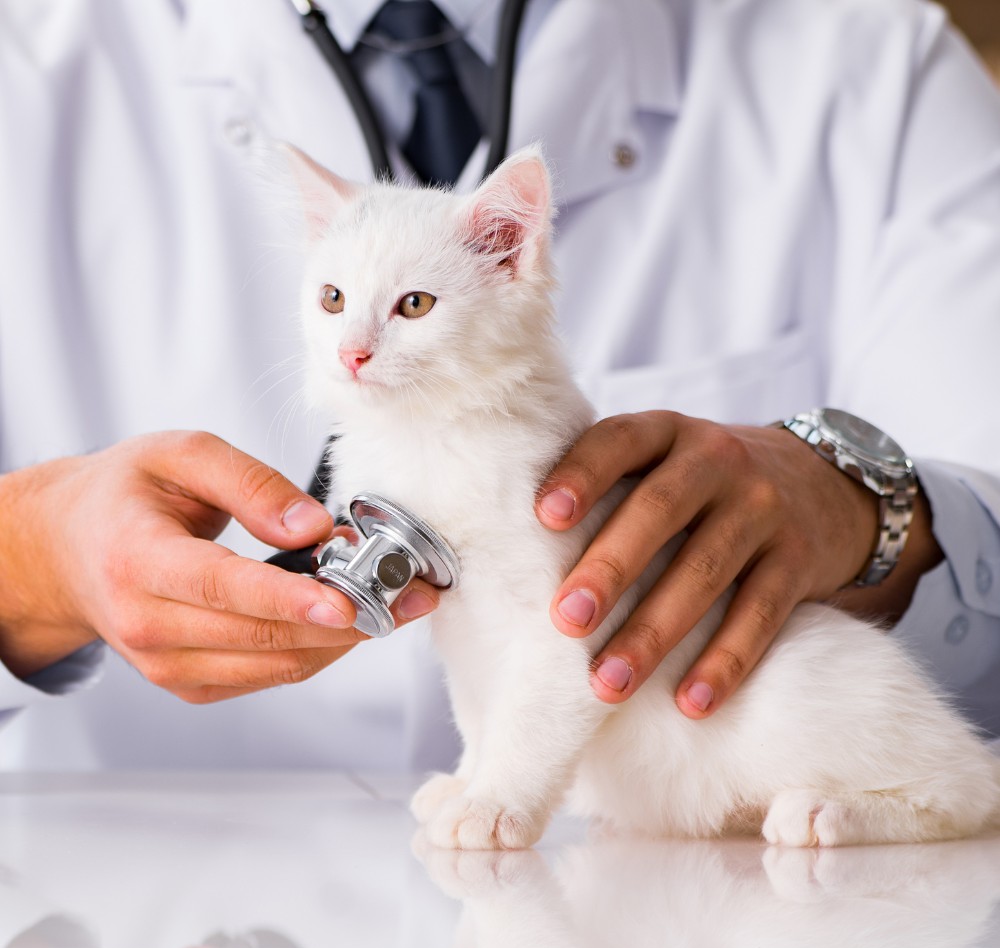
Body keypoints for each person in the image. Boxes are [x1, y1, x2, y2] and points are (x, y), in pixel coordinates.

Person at [0, 0, 998, 772]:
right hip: (149, 931)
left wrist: (875, 510)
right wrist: (31, 559)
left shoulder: (864, 56)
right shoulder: (31, 63)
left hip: (697, 926)